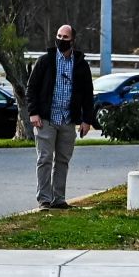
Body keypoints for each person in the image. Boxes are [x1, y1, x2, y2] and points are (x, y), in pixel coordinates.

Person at [25, 24, 94, 210]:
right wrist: (33, 112)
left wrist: (87, 120)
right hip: (46, 118)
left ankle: (59, 199)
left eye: (65, 37)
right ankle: (44, 200)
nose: (61, 40)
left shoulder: (80, 65)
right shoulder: (45, 61)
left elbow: (88, 94)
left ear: (72, 40)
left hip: (67, 119)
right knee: (45, 158)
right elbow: (31, 89)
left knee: (63, 160)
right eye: (58, 36)